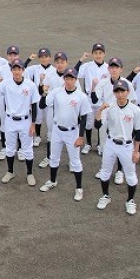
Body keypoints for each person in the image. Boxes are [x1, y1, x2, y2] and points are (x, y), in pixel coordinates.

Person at [38, 68, 92, 201]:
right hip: (57, 130)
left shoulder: (81, 96)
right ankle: (52, 181)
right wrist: (44, 92)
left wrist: (81, 136)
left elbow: (84, 117)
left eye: (71, 78)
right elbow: (42, 105)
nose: (69, 81)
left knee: (75, 161)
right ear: (64, 79)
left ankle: (79, 188)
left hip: (72, 131)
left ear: (75, 80)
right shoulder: (56, 92)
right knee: (54, 157)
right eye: (67, 78)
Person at [94, 80, 140, 215]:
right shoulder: (110, 108)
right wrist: (99, 110)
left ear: (127, 92)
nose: (120, 94)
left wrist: (136, 151)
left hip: (127, 146)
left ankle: (130, 200)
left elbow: (139, 132)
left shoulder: (135, 110)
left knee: (130, 175)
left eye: (122, 91)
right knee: (105, 172)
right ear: (114, 93)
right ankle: (105, 196)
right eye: (117, 91)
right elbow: (98, 125)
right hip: (111, 144)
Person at [0, 59, 40, 186]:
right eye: (14, 69)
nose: (17, 71)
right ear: (11, 70)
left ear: (23, 70)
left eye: (19, 69)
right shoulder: (6, 84)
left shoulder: (30, 85)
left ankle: (29, 173)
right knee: (9, 148)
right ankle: (10, 171)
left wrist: (33, 123)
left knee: (27, 149)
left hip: (26, 120)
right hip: (10, 120)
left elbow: (34, 105)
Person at [91, 57, 137, 183]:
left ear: (121, 69)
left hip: (121, 118)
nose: (114, 70)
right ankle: (104, 168)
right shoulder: (103, 82)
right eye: (112, 67)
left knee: (120, 143)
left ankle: (119, 171)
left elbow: (133, 101)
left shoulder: (127, 83)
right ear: (108, 69)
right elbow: (94, 100)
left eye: (116, 67)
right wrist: (93, 87)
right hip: (106, 116)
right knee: (105, 144)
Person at [77, 43, 109, 154]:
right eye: (96, 53)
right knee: (88, 123)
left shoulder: (108, 67)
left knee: (101, 122)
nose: (98, 55)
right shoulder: (87, 66)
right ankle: (88, 143)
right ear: (92, 54)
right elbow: (75, 73)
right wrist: (81, 59)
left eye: (100, 53)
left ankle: (100, 144)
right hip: (89, 99)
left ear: (104, 54)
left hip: (102, 99)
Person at [25, 48, 55, 147]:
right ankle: (37, 136)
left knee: (50, 118)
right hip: (37, 98)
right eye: (41, 57)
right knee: (38, 118)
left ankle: (50, 135)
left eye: (46, 57)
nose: (43, 59)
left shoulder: (54, 70)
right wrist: (29, 59)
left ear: (49, 57)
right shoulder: (35, 68)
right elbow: (22, 69)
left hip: (49, 98)